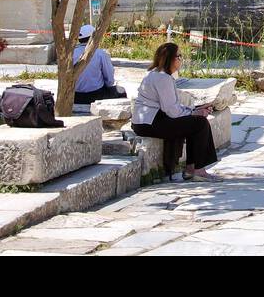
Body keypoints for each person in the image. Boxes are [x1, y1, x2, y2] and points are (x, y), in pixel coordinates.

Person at [130, 42, 217, 182]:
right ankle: (197, 170)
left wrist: (195, 110)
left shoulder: (157, 74)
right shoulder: (162, 78)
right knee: (200, 123)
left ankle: (192, 169)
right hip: (150, 122)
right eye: (179, 56)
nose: (180, 59)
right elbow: (172, 111)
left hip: (147, 120)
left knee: (196, 122)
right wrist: (196, 113)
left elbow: (172, 107)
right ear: (170, 58)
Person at [72, 23, 126, 105]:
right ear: (94, 37)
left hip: (75, 96)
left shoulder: (71, 53)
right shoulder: (100, 54)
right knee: (121, 91)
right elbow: (109, 79)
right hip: (96, 94)